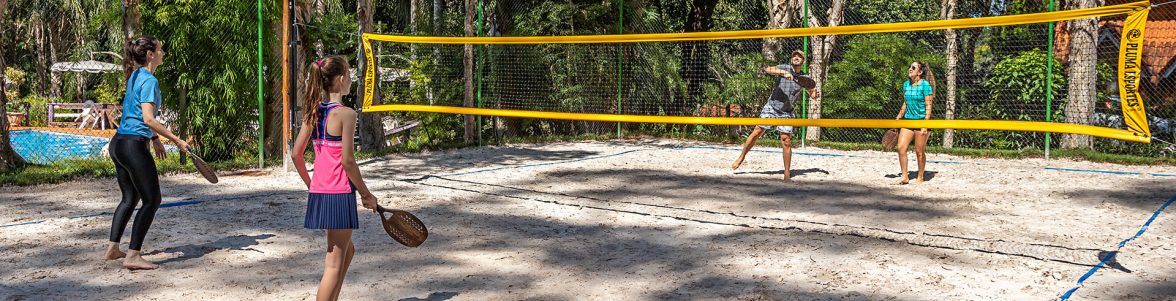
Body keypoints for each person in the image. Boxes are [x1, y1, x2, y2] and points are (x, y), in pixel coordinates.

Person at [290, 55, 378, 301]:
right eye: (349, 75)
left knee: (347, 251)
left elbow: (297, 154)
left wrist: (312, 185)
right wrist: (366, 194)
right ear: (340, 80)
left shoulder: (315, 112)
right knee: (333, 263)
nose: (351, 80)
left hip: (321, 194)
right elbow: (348, 161)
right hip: (339, 194)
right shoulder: (346, 114)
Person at [104, 36, 190, 270]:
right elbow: (148, 118)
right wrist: (176, 140)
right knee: (152, 200)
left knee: (130, 199)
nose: (163, 52)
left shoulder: (135, 76)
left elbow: (134, 113)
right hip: (133, 147)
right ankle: (133, 256)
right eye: (160, 49)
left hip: (119, 144)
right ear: (151, 54)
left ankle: (113, 249)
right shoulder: (149, 80)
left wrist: (154, 139)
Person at [732, 50, 818, 181]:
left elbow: (811, 92)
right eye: (794, 55)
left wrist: (814, 95)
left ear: (803, 61)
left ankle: (787, 173)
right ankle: (741, 157)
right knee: (757, 132)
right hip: (772, 107)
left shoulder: (804, 78)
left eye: (799, 56)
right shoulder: (784, 67)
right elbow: (768, 69)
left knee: (786, 141)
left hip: (786, 112)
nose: (796, 57)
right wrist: (784, 73)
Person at [894, 61, 936, 184]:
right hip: (908, 120)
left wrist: (925, 124)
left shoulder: (925, 85)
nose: (910, 69)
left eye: (913, 67)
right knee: (901, 148)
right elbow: (906, 102)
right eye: (909, 67)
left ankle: (920, 176)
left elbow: (929, 105)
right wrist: (899, 116)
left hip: (922, 120)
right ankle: (905, 177)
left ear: (920, 72)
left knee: (919, 152)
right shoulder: (906, 84)